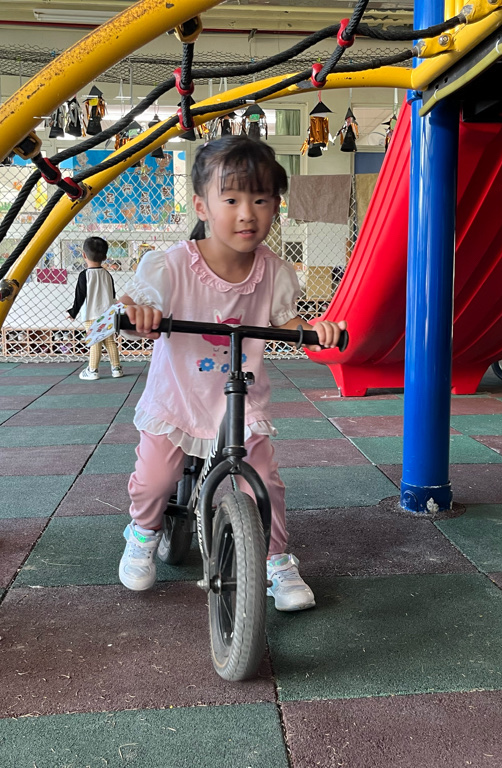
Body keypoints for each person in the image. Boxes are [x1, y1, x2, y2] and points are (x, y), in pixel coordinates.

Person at [119, 135, 346, 611]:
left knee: (264, 481)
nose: (247, 214)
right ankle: (143, 531)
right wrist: (139, 314)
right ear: (202, 206)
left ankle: (277, 561)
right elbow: (136, 304)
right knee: (156, 479)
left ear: (276, 207)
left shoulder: (275, 271)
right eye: (232, 200)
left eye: (261, 200)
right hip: (178, 398)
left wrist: (314, 331)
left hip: (239, 400)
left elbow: (287, 322)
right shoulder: (170, 266)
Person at [67, 236, 122, 379]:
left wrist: (73, 312)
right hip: (108, 314)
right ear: (105, 257)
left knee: (95, 341)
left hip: (91, 314)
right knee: (110, 341)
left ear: (84, 255)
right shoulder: (107, 274)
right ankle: (116, 368)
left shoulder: (84, 275)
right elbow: (112, 295)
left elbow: (79, 296)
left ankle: (92, 370)